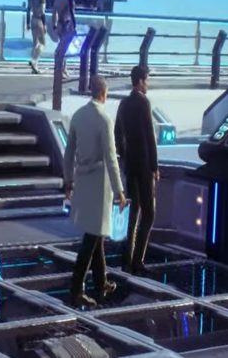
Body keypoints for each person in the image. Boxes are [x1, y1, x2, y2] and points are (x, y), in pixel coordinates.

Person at [63, 74, 126, 307]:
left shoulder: (78, 116)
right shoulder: (104, 120)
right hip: (100, 184)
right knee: (92, 237)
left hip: (82, 181)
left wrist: (68, 181)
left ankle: (101, 282)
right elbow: (111, 158)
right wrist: (119, 190)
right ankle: (76, 289)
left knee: (96, 233)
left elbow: (69, 152)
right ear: (103, 93)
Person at [114, 65, 160, 275]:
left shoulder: (124, 103)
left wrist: (125, 155)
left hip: (130, 164)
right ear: (140, 81)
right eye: (147, 80)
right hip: (144, 165)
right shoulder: (144, 102)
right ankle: (138, 261)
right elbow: (150, 136)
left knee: (133, 212)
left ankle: (127, 259)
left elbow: (117, 133)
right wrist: (154, 166)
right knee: (148, 213)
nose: (148, 84)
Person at [51, 0, 76, 78]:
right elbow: (71, 12)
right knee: (63, 48)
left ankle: (62, 68)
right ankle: (60, 69)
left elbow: (54, 11)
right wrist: (74, 25)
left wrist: (54, 24)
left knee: (63, 46)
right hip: (67, 24)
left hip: (60, 24)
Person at [26, 0, 46, 74]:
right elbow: (42, 11)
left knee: (35, 43)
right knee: (42, 43)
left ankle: (35, 66)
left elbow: (28, 9)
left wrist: (27, 22)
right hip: (39, 20)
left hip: (32, 19)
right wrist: (44, 24)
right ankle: (34, 60)